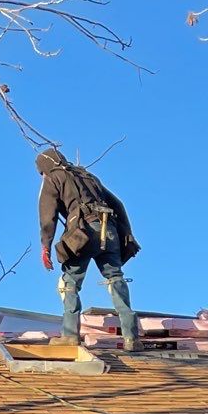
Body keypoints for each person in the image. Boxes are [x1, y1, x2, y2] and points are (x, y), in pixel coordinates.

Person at [35, 144, 140, 349]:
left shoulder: (53, 177)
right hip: (109, 231)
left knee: (69, 282)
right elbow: (118, 204)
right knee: (115, 278)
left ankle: (69, 335)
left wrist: (45, 246)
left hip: (83, 232)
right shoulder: (88, 176)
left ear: (44, 167)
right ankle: (131, 338)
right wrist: (127, 235)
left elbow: (48, 215)